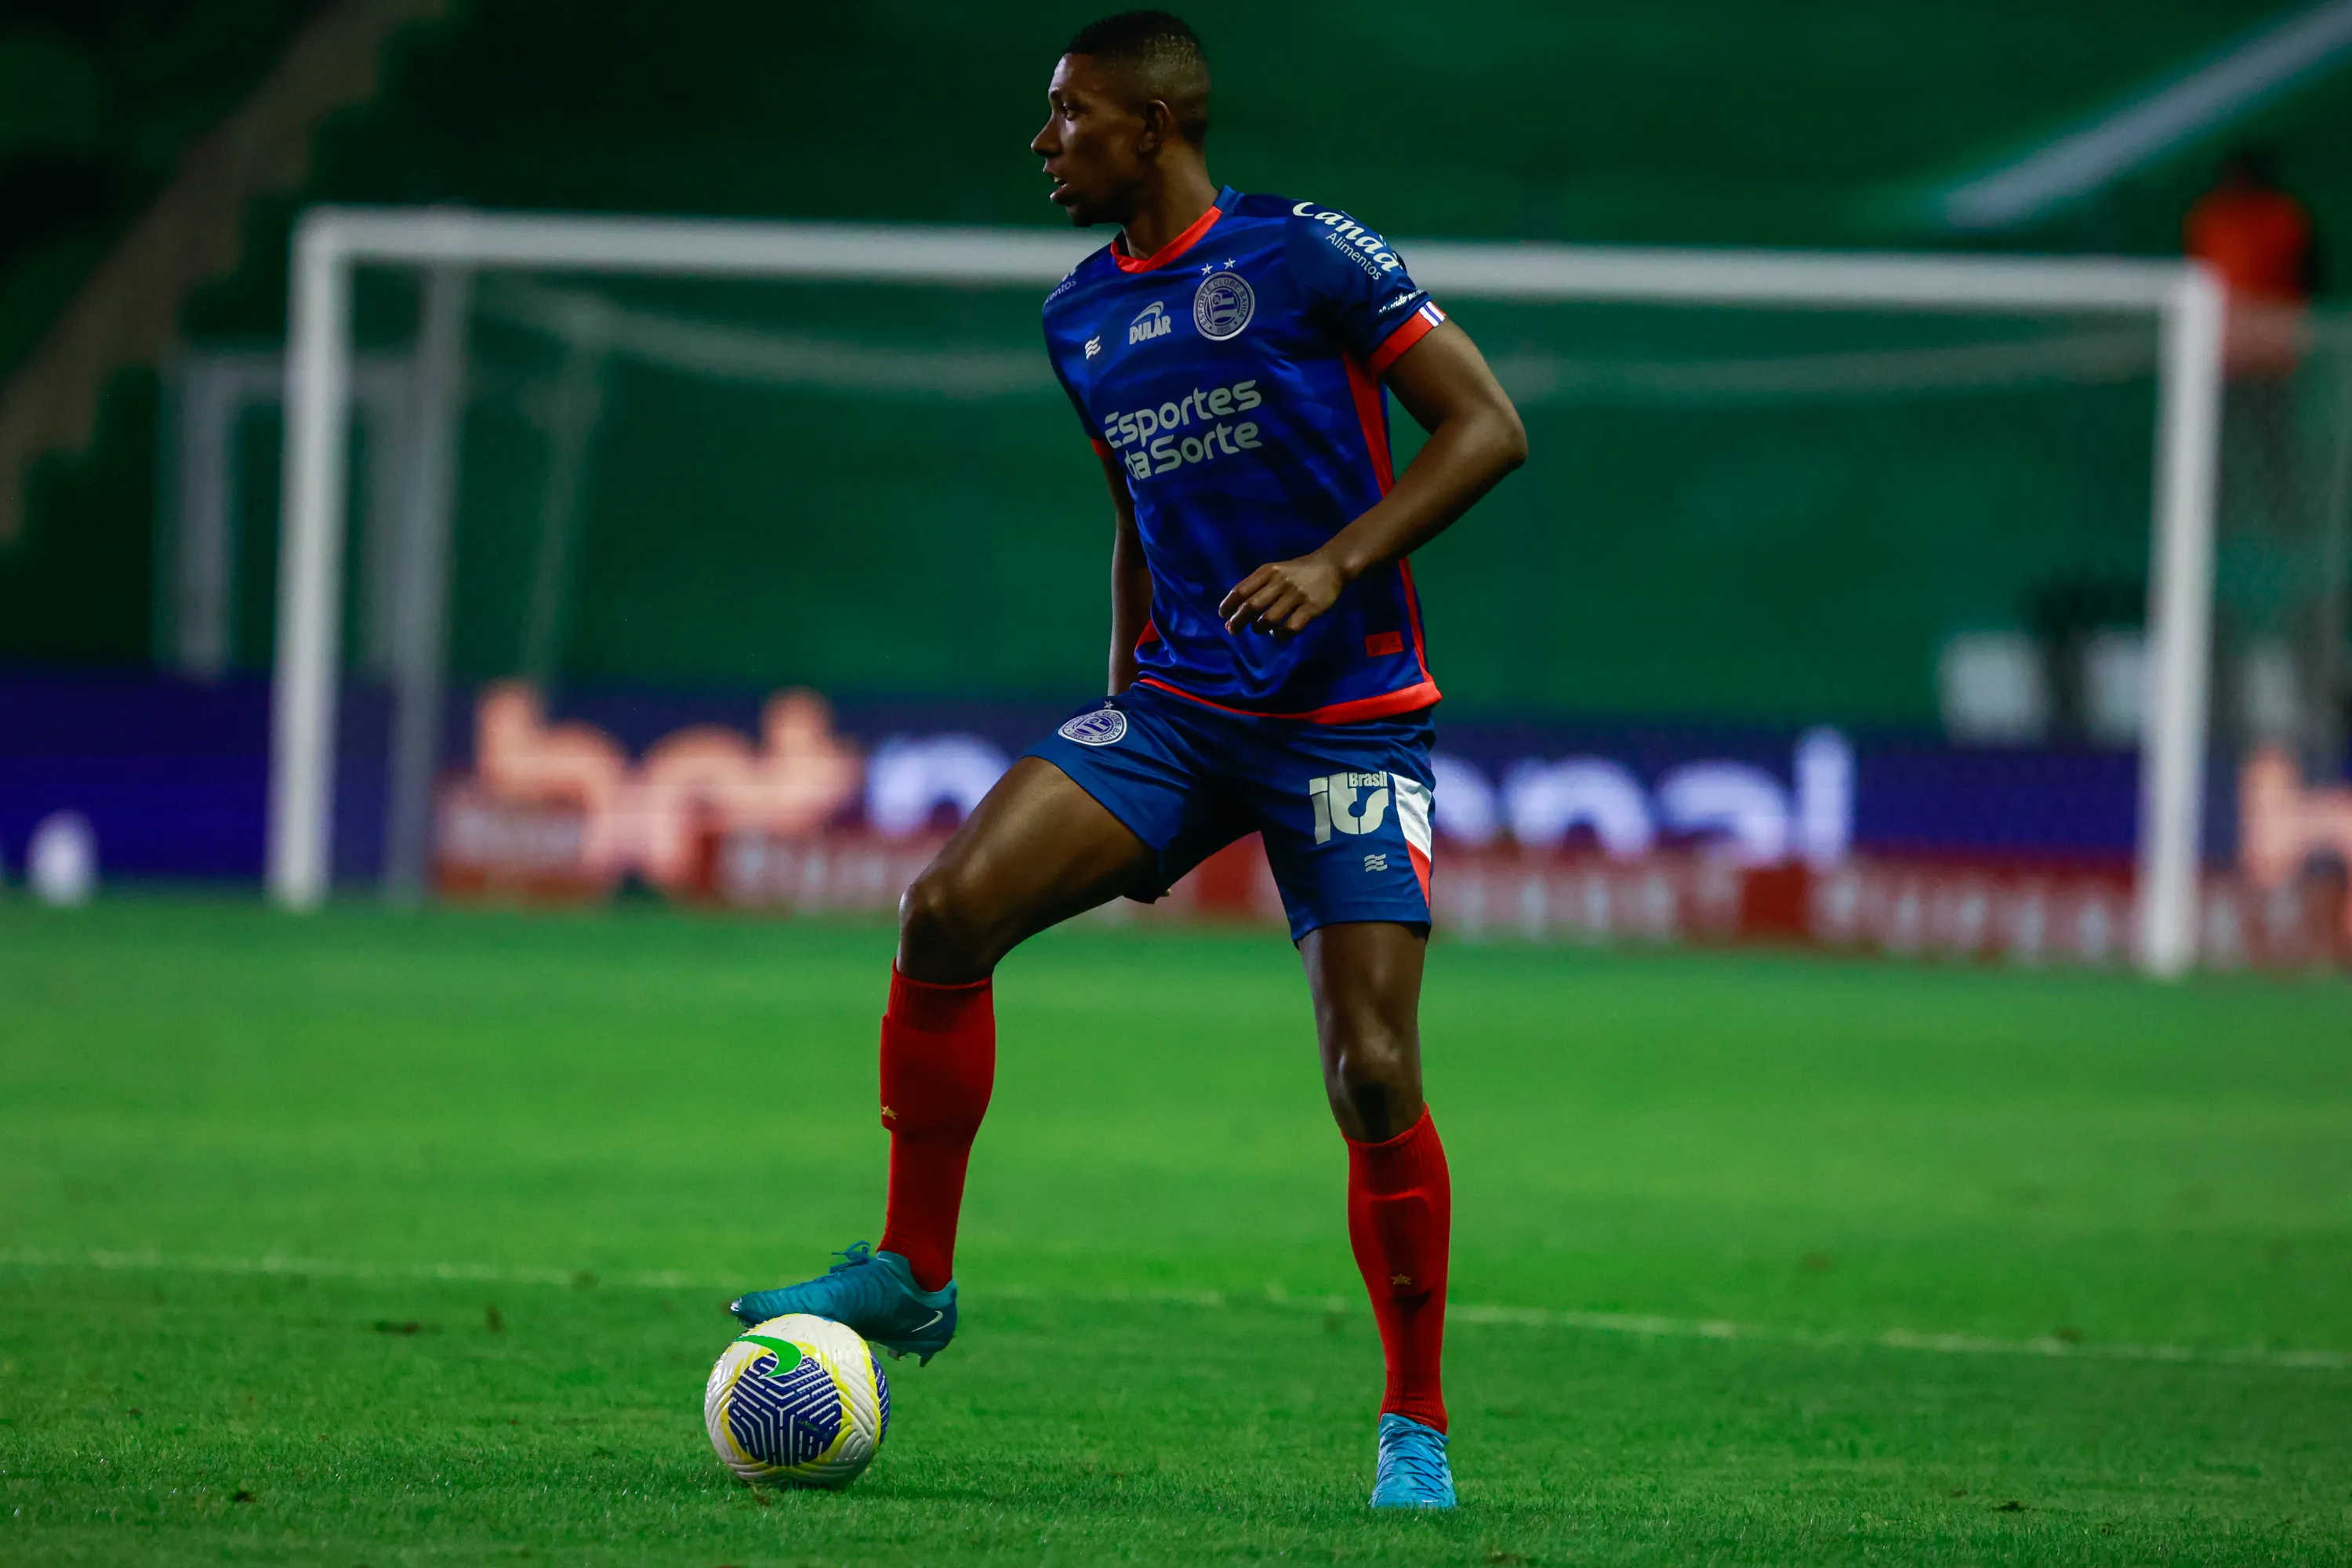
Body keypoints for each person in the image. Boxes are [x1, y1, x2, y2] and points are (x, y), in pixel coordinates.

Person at [727, 9, 1527, 1509]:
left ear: (1152, 127)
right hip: (1176, 715)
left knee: (1370, 1073)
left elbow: (1487, 429)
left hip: (1348, 719)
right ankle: (913, 1271)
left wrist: (1337, 562)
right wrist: (1120, 749)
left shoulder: (1306, 254)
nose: (1045, 142)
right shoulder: (1080, 314)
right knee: (943, 912)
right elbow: (1135, 523)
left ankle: (1413, 1422)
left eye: (1070, 114)